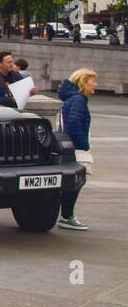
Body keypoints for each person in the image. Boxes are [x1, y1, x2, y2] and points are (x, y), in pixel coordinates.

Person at [56, 68, 96, 231]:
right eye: (92, 81)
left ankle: (66, 215)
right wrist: (83, 144)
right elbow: (73, 124)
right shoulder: (79, 100)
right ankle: (67, 216)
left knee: (72, 184)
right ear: (83, 83)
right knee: (76, 182)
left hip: (69, 147)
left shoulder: (73, 99)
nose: (95, 84)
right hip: (76, 149)